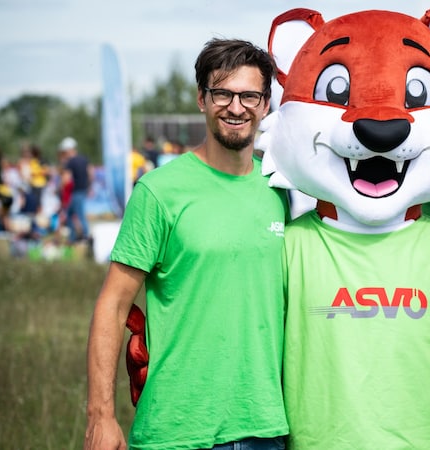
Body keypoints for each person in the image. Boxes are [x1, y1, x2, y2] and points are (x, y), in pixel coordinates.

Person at [84, 38, 289, 450]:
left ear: (266, 104)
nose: (236, 107)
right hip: (175, 430)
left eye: (249, 95)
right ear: (202, 99)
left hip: (265, 428)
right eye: (222, 94)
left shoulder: (284, 191)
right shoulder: (160, 191)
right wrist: (101, 416)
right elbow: (113, 304)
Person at [58, 136, 92, 243]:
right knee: (71, 214)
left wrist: (59, 189)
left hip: (75, 192)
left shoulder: (70, 162)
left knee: (77, 214)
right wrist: (88, 186)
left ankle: (85, 237)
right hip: (83, 190)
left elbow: (66, 179)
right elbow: (91, 173)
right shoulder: (84, 158)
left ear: (68, 150)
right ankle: (74, 237)